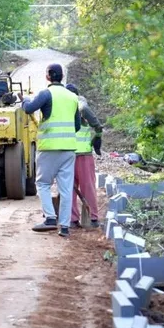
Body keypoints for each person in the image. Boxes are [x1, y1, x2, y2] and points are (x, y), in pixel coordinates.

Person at [22, 63, 81, 238]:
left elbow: (28, 109)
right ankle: (64, 227)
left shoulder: (46, 94)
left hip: (49, 148)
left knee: (43, 184)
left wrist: (24, 99)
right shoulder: (72, 97)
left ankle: (49, 218)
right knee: (66, 188)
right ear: (61, 76)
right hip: (69, 149)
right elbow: (77, 125)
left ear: (48, 75)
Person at [65, 83, 103, 228]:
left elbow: (84, 108)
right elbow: (85, 108)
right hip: (80, 155)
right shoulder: (77, 103)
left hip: (69, 154)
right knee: (86, 187)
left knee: (70, 188)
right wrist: (98, 131)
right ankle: (91, 219)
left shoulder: (73, 104)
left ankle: (75, 219)